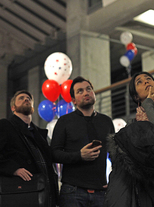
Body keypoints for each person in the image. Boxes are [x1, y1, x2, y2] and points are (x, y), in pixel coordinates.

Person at [104, 71, 154, 206]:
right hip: (144, 186)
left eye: (149, 79)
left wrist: (148, 104)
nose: (146, 81)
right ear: (135, 96)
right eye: (139, 82)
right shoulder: (132, 125)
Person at [0, 90, 59, 207]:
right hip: (16, 194)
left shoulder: (39, 134)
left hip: (43, 194)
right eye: (21, 98)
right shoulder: (2, 126)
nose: (26, 99)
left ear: (33, 108)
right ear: (13, 108)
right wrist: (14, 169)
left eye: (29, 98)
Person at [50, 76, 115, 207]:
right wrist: (79, 155)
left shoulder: (106, 121)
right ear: (73, 100)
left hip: (101, 191)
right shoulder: (64, 121)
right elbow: (53, 154)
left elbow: (115, 155)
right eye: (80, 91)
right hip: (73, 191)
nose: (86, 93)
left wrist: (113, 182)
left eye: (88, 89)